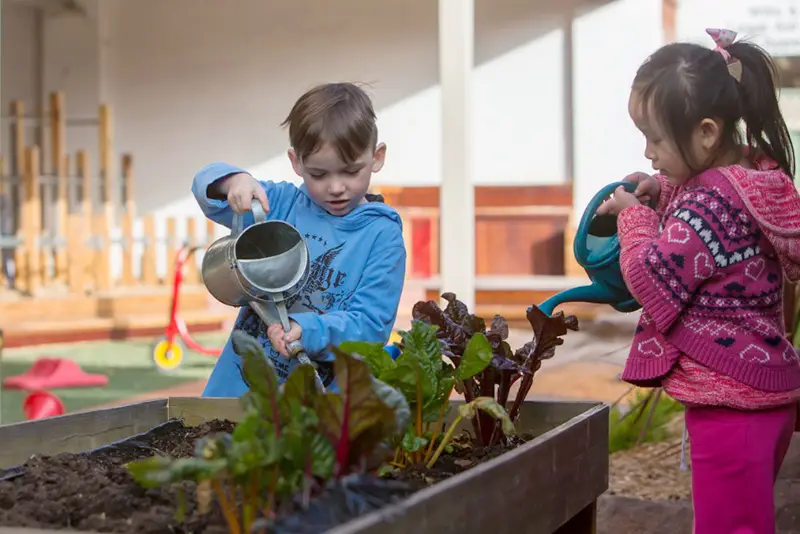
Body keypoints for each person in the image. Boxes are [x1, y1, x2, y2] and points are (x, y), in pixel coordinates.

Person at [598, 29, 800, 533]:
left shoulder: (709, 204)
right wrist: (662, 188)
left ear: (707, 133)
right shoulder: (752, 175)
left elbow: (651, 276)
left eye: (656, 138)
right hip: (761, 399)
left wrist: (633, 218)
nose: (647, 152)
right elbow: (709, 214)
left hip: (728, 406)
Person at [193, 82, 406, 393]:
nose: (336, 187)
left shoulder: (382, 236)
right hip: (236, 390)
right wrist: (235, 180)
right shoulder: (279, 204)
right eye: (319, 174)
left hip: (315, 406)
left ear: (377, 157)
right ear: (297, 162)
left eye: (350, 171)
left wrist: (307, 331)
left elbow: (370, 327)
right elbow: (206, 187)